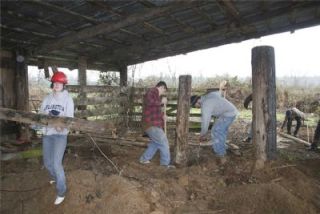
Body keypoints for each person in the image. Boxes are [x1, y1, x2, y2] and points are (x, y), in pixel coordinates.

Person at [39, 71, 74, 205]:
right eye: (55, 82)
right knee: (47, 162)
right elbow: (41, 114)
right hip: (48, 134)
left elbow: (70, 119)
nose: (57, 85)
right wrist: (39, 123)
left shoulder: (68, 99)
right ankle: (54, 177)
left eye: (60, 83)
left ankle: (61, 191)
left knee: (56, 163)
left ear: (64, 85)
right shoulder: (47, 98)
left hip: (60, 135)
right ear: (52, 84)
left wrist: (62, 126)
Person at [190, 91, 238, 165]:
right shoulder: (208, 96)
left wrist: (202, 134)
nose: (196, 107)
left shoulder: (206, 105)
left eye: (195, 105)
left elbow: (205, 123)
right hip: (229, 111)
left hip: (229, 114)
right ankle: (223, 146)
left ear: (197, 101)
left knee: (217, 131)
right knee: (220, 130)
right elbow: (218, 92)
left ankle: (221, 154)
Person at [139, 81, 175, 168]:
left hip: (153, 124)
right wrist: (161, 101)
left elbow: (154, 110)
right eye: (164, 91)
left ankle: (144, 159)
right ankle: (165, 164)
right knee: (164, 142)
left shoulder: (156, 97)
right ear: (162, 87)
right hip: (151, 124)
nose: (163, 93)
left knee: (155, 143)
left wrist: (163, 116)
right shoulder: (151, 92)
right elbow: (150, 102)